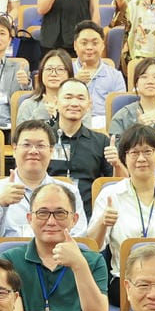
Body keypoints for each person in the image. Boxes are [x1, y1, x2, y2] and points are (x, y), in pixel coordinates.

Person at [0, 182, 107, 311]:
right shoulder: (10, 260)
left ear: (74, 219)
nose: (51, 221)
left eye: (60, 213)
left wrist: (79, 265)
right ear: (29, 218)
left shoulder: (92, 261)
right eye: (42, 213)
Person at [89, 122, 155, 281]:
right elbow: (92, 247)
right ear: (124, 158)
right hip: (125, 280)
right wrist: (102, 223)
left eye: (147, 151)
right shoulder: (111, 195)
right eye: (134, 152)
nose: (141, 158)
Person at [0, 120, 89, 246]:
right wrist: (1, 204)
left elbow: (79, 238)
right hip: (9, 257)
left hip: (57, 256)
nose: (33, 151)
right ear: (14, 149)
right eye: (26, 145)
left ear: (51, 151)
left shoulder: (68, 191)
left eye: (40, 145)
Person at [48, 77, 111, 211]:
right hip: (48, 210)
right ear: (56, 102)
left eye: (81, 98)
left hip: (89, 212)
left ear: (89, 104)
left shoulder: (101, 141)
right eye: (68, 97)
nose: (74, 103)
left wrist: (117, 163)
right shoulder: (42, 139)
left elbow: (114, 182)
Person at [71, 22, 127, 127]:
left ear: (102, 46)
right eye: (84, 43)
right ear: (75, 45)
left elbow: (120, 110)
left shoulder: (115, 76)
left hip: (105, 124)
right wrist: (74, 82)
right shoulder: (65, 71)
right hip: (72, 121)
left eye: (95, 43)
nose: (89, 47)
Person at [15, 47, 74, 127]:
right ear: (41, 73)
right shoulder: (27, 105)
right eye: (49, 69)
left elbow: (85, 134)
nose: (53, 74)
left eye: (60, 69)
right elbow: (22, 134)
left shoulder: (77, 105)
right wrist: (42, 111)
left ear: (69, 74)